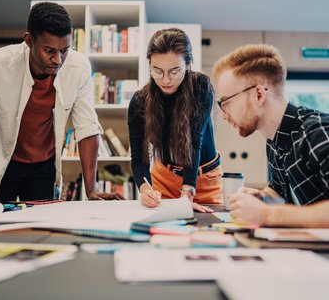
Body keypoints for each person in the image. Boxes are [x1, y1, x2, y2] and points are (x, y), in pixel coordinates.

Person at [0, 2, 123, 203]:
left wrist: (91, 190)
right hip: (2, 161)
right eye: (49, 50)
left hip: (43, 166)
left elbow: (87, 128)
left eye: (65, 50)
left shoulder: (78, 67)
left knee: (38, 228)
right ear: (29, 40)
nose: (58, 59)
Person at [213, 44, 329, 227]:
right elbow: (279, 193)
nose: (223, 114)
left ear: (259, 94)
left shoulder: (316, 132)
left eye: (226, 102)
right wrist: (261, 198)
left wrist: (267, 214)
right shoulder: (274, 141)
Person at [128, 28, 223, 213]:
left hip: (204, 180)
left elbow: (194, 142)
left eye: (174, 71)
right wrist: (145, 187)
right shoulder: (139, 100)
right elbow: (138, 158)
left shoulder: (200, 87)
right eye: (157, 71)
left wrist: (187, 192)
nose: (165, 80)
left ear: (187, 65)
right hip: (163, 177)